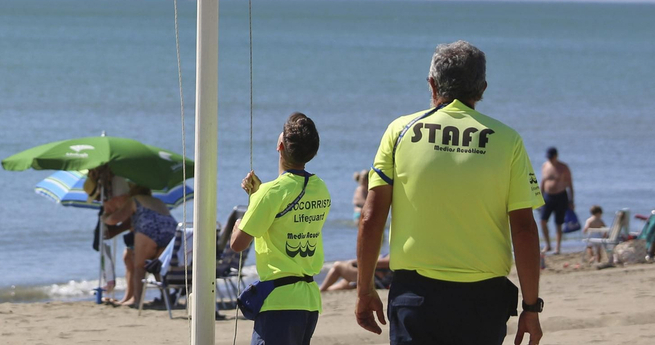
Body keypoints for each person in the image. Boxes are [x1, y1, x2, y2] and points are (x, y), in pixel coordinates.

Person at [356, 41, 543, 345]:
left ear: (431, 84)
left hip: (415, 297)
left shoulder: (399, 131)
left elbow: (370, 217)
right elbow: (523, 228)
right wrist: (531, 307)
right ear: (482, 88)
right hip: (484, 299)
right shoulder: (508, 140)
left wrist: (364, 289)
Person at [229, 113, 331, 345]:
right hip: (308, 301)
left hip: (280, 302)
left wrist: (244, 216)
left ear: (280, 146)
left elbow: (238, 244)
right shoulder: (320, 187)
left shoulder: (270, 193)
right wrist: (259, 195)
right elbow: (288, 212)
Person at [100, 186, 178, 309]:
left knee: (139, 267)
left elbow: (114, 220)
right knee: (158, 267)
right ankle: (166, 298)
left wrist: (104, 216)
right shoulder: (157, 201)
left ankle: (137, 300)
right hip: (170, 232)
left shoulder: (134, 200)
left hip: (149, 231)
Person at [537, 147, 575, 254]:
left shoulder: (563, 167)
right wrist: (539, 198)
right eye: (548, 157)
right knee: (542, 221)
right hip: (548, 197)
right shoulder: (545, 166)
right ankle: (548, 245)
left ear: (556, 156)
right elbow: (542, 183)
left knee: (558, 223)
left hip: (561, 196)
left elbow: (570, 185)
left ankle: (558, 247)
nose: (549, 159)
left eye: (551, 157)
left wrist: (571, 201)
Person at [322, 255, 392, 292]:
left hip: (375, 279)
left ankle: (322, 289)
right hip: (373, 278)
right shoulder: (394, 252)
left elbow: (380, 263)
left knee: (337, 266)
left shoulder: (393, 256)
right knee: (344, 284)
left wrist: (356, 261)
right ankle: (323, 291)